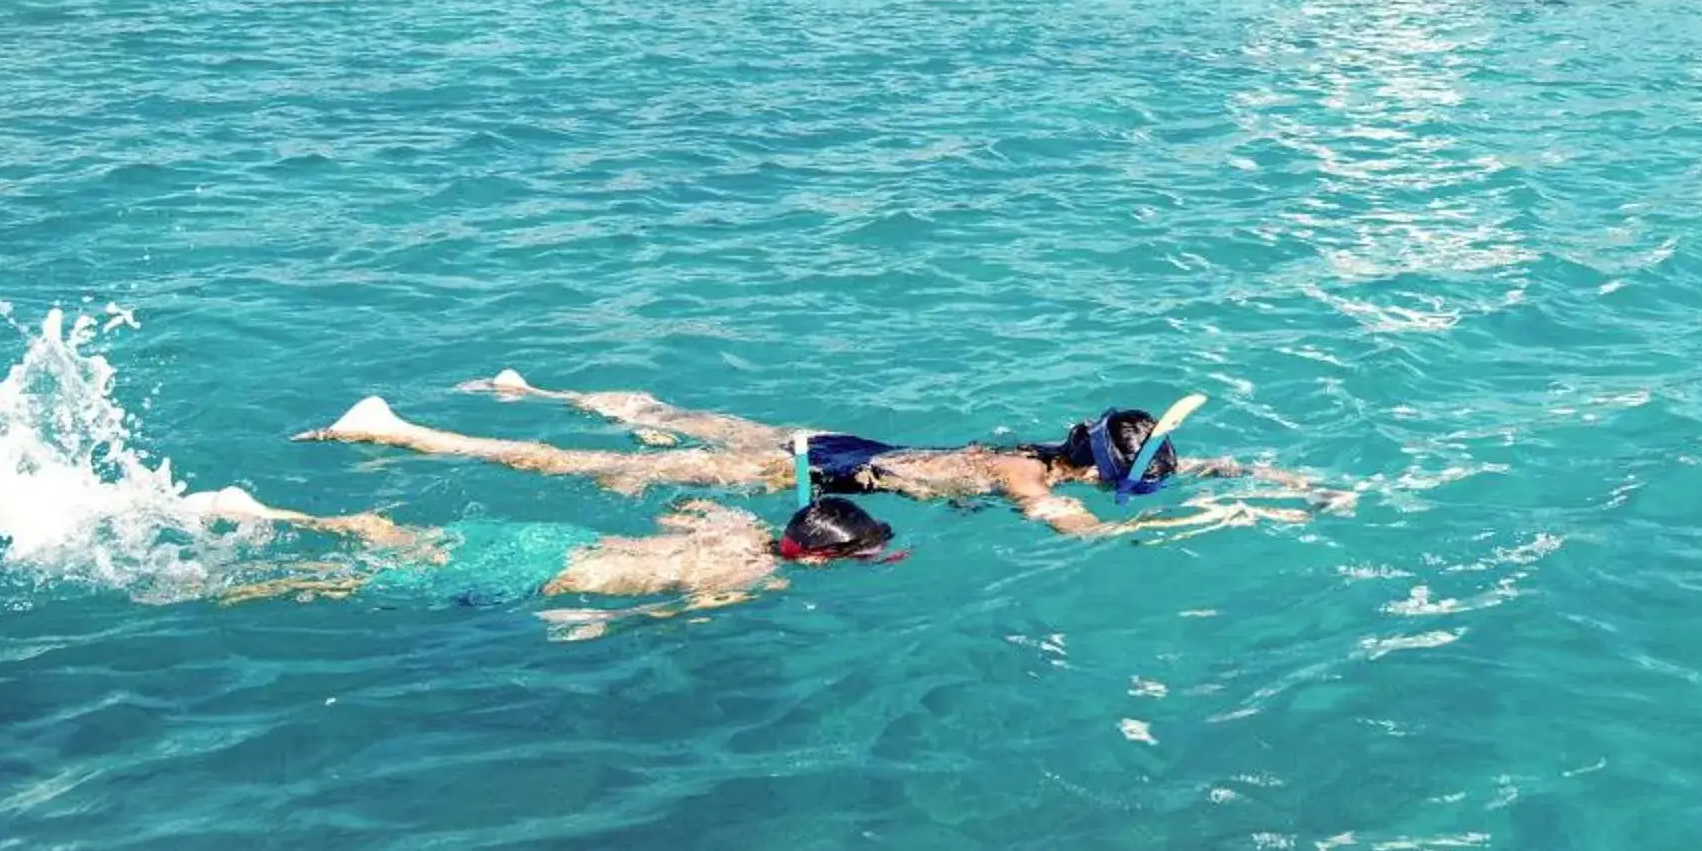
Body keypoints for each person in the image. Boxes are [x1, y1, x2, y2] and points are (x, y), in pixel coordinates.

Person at [298, 371, 1330, 539]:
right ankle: (396, 430)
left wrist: (1257, 476)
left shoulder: (1032, 447)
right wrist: (1218, 519)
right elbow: (1085, 535)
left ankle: (533, 386)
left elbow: (1161, 468)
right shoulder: (1024, 481)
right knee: (571, 469)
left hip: (838, 440)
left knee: (667, 411)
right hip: (808, 477)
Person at [208, 483, 902, 637]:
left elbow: (681, 506)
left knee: (397, 537)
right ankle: (233, 588)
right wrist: (599, 623)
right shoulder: (748, 578)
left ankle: (265, 512)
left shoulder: (737, 528)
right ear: (814, 560)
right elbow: (668, 609)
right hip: (546, 574)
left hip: (551, 537)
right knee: (351, 584)